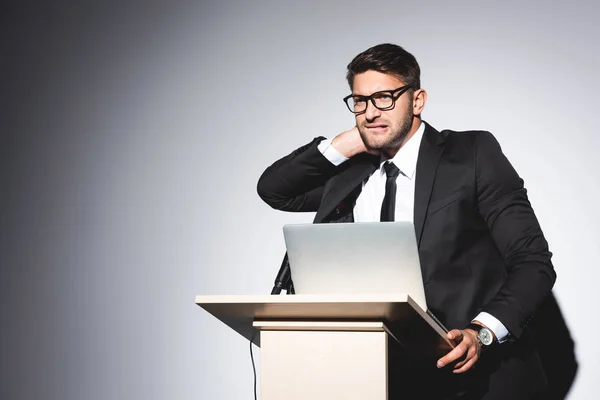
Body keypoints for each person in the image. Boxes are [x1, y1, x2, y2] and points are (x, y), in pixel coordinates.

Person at [256, 43, 556, 399]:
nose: (370, 111)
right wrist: (348, 143)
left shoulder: (471, 155)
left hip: (481, 378)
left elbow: (532, 262)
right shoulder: (348, 176)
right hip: (386, 379)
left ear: (417, 101)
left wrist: (483, 332)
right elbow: (275, 190)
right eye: (360, 101)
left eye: (384, 97)